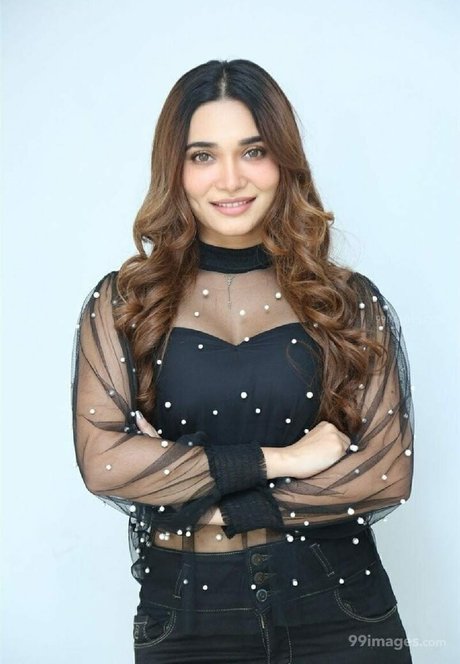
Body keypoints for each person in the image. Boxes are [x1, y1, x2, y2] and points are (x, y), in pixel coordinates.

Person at [71, 59, 415, 663]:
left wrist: (195, 495)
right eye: (203, 155)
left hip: (340, 606)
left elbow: (384, 473)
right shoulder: (126, 304)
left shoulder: (346, 302)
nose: (230, 179)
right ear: (175, 169)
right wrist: (287, 460)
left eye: (253, 151)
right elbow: (104, 464)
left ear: (283, 160)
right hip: (186, 618)